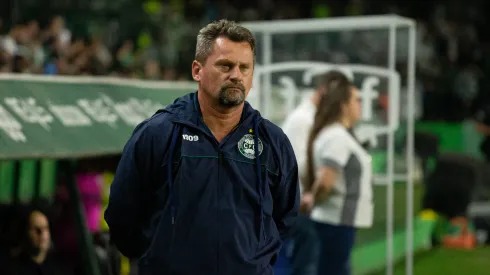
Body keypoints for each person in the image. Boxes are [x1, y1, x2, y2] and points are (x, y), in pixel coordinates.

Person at [105, 19, 300, 275]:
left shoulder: (272, 142)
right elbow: (122, 217)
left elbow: (285, 217)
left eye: (245, 67)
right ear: (197, 70)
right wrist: (159, 257)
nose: (236, 75)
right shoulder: (159, 133)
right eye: (225, 65)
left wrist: (253, 261)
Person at [280, 70, 348, 275]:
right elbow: (298, 165)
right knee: (311, 259)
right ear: (323, 91)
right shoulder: (303, 120)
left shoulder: (312, 119)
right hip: (298, 205)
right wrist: (326, 177)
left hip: (307, 204)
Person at [304, 76, 373, 275]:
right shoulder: (336, 137)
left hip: (337, 221)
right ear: (344, 106)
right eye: (356, 100)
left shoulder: (336, 135)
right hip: (335, 221)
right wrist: (313, 199)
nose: (360, 105)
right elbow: (326, 181)